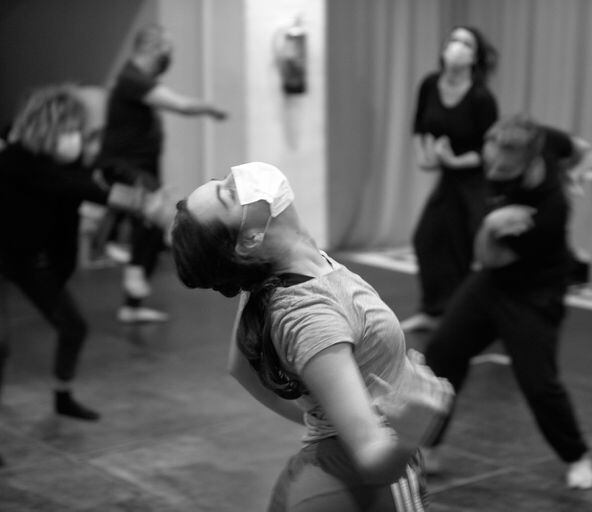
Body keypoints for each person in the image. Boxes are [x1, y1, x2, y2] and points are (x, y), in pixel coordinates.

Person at [170, 161, 454, 511]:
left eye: (221, 180)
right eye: (229, 193)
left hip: (334, 466)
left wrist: (323, 415)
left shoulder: (273, 270)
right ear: (249, 239)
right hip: (363, 482)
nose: (237, 177)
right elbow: (371, 457)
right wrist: (412, 431)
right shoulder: (311, 316)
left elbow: (237, 367)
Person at [421, 114, 592, 489]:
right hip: (490, 284)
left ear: (532, 159)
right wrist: (492, 223)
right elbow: (579, 149)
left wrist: (490, 227)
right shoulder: (529, 140)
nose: (494, 169)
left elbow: (491, 256)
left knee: (538, 383)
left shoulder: (549, 210)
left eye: (505, 167)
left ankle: (576, 455)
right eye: (491, 158)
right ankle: (428, 446)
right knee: (441, 355)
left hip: (534, 292)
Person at [0, 84, 173, 421]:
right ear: (49, 127)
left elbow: (89, 181)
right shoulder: (16, 162)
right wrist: (144, 204)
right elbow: (81, 188)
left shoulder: (61, 164)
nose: (78, 137)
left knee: (73, 327)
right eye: (72, 130)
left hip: (29, 261)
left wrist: (138, 192)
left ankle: (63, 396)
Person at [97, 23, 228, 324]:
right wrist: (211, 108)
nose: (169, 57)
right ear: (153, 48)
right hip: (121, 166)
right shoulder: (132, 78)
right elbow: (180, 105)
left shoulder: (138, 80)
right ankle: (111, 248)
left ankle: (132, 303)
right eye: (167, 50)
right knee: (155, 210)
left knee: (153, 218)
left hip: (139, 167)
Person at [400, 26, 499, 332]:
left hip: (475, 181)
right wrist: (424, 157)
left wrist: (455, 160)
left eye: (466, 43)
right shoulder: (431, 84)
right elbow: (419, 126)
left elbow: (490, 149)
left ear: (475, 56)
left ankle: (477, 318)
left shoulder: (481, 97)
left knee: (472, 249)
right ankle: (435, 312)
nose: (457, 47)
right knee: (427, 240)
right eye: (453, 40)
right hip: (448, 179)